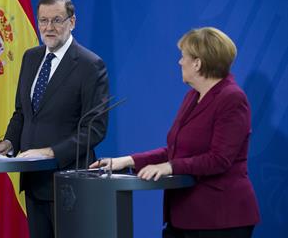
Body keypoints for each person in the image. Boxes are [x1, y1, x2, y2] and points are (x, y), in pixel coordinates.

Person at [91, 27, 260, 238]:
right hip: (183, 216)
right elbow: (177, 150)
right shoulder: (192, 96)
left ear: (198, 63)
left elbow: (219, 159)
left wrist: (169, 167)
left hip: (220, 219)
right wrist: (127, 161)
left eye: (183, 57)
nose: (180, 62)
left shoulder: (232, 98)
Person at [0, 0, 109, 238]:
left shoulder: (90, 65)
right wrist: (7, 144)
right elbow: (22, 114)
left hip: (69, 184)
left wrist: (51, 152)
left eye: (57, 20)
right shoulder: (31, 58)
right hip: (34, 182)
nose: (49, 27)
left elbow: (96, 128)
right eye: (43, 20)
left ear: (72, 22)